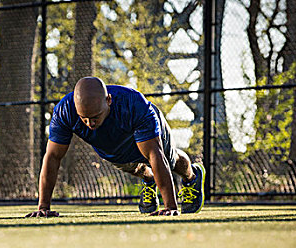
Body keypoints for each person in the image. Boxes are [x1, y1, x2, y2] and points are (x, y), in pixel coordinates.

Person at [26, 77, 205, 218]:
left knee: (170, 159)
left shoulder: (134, 104)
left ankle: (191, 177)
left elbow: (153, 154)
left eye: (95, 116)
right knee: (135, 168)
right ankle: (149, 181)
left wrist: (170, 207)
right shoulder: (64, 112)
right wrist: (43, 207)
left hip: (146, 131)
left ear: (109, 100)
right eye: (84, 118)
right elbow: (53, 157)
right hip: (112, 146)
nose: (90, 123)